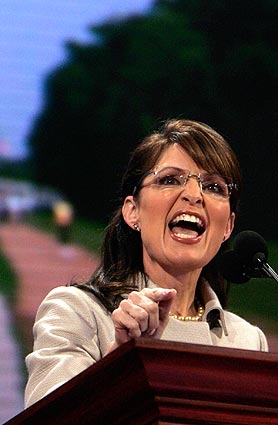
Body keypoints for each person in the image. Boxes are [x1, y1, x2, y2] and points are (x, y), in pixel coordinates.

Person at [24, 119, 268, 407]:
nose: (193, 195)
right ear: (132, 211)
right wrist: (121, 360)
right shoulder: (78, 314)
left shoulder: (249, 341)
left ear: (227, 227)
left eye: (214, 186)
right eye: (170, 179)